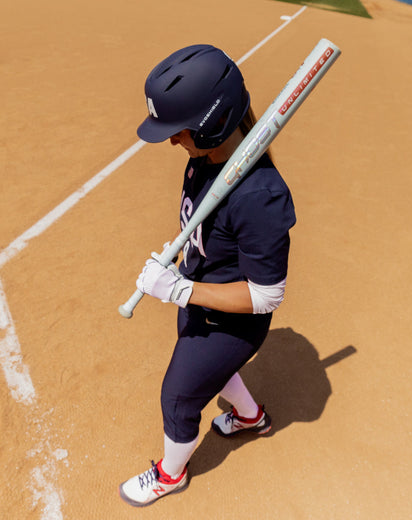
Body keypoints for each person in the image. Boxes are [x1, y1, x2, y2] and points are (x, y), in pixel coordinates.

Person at [119, 44, 296, 508]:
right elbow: (203, 229)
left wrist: (180, 288)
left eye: (179, 131)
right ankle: (252, 417)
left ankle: (169, 475)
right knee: (210, 376)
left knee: (179, 397)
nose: (174, 141)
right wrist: (177, 262)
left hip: (231, 322)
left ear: (212, 124)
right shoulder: (204, 160)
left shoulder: (261, 196)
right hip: (199, 297)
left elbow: (265, 296)